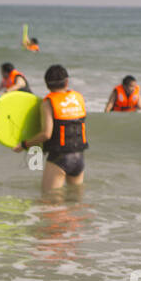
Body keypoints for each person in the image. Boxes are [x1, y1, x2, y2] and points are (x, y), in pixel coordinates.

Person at [18, 64, 87, 194]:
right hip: (79, 156)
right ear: (67, 81)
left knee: (50, 202)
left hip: (60, 158)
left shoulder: (48, 103)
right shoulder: (78, 98)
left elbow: (46, 134)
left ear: (47, 85)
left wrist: (23, 144)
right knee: (75, 203)